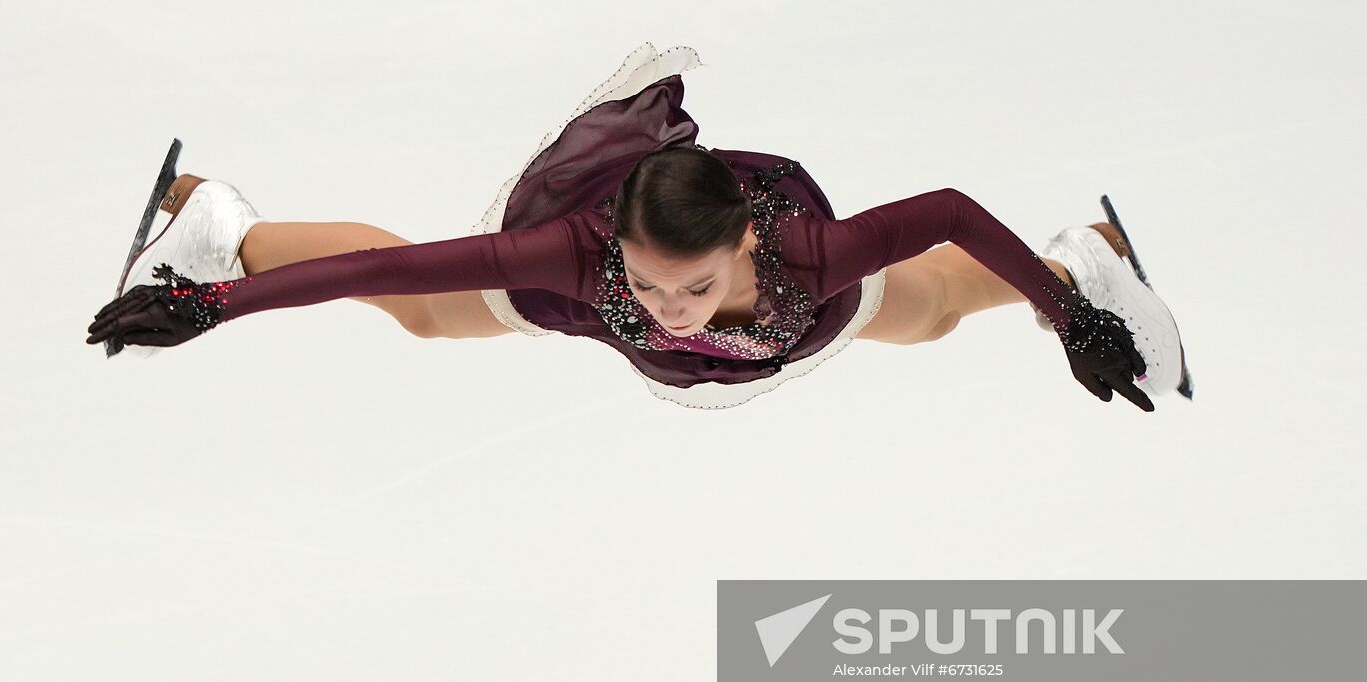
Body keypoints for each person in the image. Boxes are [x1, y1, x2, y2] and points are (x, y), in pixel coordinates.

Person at [85, 43, 1191, 411]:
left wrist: (1060, 318)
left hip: (804, 323)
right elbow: (385, 261)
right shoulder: (572, 260)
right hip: (584, 313)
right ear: (613, 243)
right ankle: (221, 229)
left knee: (934, 313)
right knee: (421, 313)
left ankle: (1078, 265)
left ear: (745, 248)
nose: (668, 309)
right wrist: (211, 306)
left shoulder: (810, 256)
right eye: (650, 285)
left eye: (691, 289)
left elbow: (947, 212)